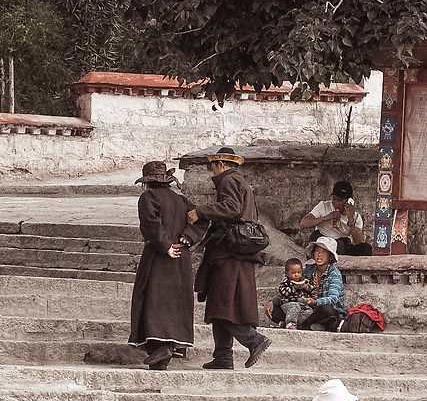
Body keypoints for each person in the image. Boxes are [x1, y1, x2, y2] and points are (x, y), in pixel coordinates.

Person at [194, 147, 270, 369]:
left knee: (222, 306)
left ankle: (254, 340)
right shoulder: (241, 182)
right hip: (236, 254)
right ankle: (223, 357)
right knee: (220, 308)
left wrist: (200, 212)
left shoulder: (228, 181)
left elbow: (231, 209)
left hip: (228, 255)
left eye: (213, 167)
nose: (212, 172)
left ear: (221, 165)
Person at [129, 160, 197, 370]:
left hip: (158, 256)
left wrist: (165, 245)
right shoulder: (183, 201)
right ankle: (165, 351)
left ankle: (159, 347)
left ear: (147, 182)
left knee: (152, 299)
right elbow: (200, 220)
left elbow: (151, 223)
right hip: (181, 257)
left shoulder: (147, 197)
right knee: (174, 301)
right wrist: (188, 237)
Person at [301, 179, 374, 256]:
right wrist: (325, 218)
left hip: (341, 242)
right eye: (334, 198)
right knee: (338, 246)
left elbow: (359, 241)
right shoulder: (323, 206)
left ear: (348, 201)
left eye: (340, 200)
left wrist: (351, 220)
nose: (336, 203)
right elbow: (303, 223)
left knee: (366, 248)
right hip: (324, 239)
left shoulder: (356, 216)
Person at [300, 239, 347, 332]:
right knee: (276, 310)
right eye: (317, 251)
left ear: (330, 257)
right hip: (310, 310)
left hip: (328, 312)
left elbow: (333, 298)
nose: (319, 255)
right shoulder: (308, 270)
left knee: (327, 310)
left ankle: (303, 325)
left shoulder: (334, 274)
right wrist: (273, 302)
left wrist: (315, 301)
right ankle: (312, 324)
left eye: (324, 252)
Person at [271, 260, 316, 329]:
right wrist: (294, 288)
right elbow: (283, 291)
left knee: (309, 311)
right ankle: (290, 323)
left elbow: (312, 290)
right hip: (288, 304)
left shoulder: (304, 281)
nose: (297, 275)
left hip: (302, 305)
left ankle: (296, 324)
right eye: (293, 273)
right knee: (295, 306)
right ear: (286, 274)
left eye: (299, 272)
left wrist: (306, 287)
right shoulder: (286, 282)